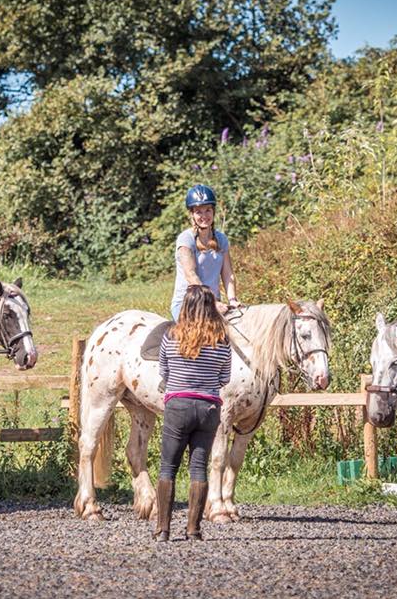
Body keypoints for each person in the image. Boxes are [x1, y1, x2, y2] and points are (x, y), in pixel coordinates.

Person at [154, 284, 232, 542]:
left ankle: (163, 529)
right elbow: (225, 377)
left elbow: (163, 372)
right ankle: (193, 530)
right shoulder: (222, 340)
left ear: (185, 308)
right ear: (211, 308)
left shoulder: (171, 336)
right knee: (198, 468)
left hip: (178, 405)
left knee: (168, 467)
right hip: (208, 408)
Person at [170, 184, 240, 321]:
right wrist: (212, 302)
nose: (204, 216)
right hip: (188, 303)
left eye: (208, 210)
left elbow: (228, 274)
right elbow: (191, 275)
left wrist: (232, 299)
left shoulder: (221, 239)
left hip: (215, 304)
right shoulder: (186, 239)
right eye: (199, 212)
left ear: (213, 211)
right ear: (192, 214)